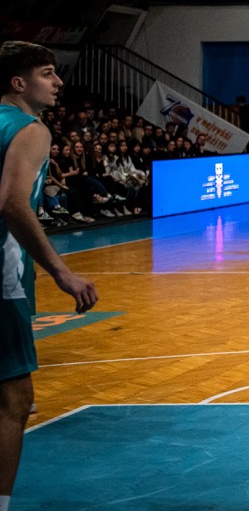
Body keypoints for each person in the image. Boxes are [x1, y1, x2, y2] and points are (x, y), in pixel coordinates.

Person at [1, 41, 99, 511]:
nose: (59, 82)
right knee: (14, 402)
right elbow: (12, 202)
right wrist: (61, 271)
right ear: (18, 83)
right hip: (3, 279)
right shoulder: (30, 130)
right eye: (47, 73)